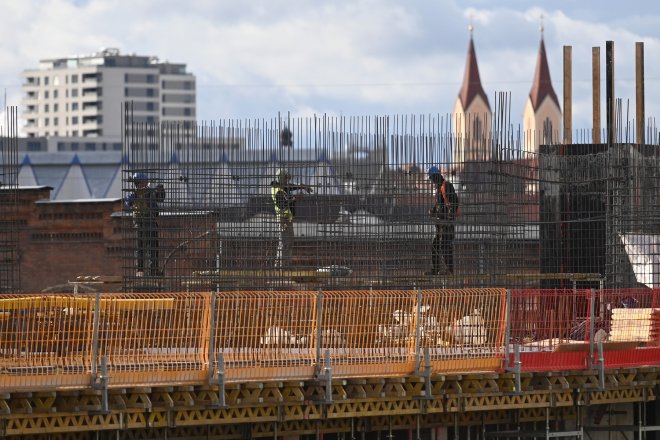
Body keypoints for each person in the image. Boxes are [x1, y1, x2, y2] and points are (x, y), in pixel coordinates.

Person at [124, 172, 166, 276]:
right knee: (141, 248)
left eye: (146, 183)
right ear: (138, 183)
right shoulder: (133, 195)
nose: (145, 184)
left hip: (151, 223)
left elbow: (160, 198)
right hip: (140, 224)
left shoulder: (150, 193)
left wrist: (160, 190)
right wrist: (136, 195)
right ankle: (140, 270)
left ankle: (153, 269)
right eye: (143, 182)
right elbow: (128, 203)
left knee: (153, 248)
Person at [271, 168, 312, 269]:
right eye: (285, 178)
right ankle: (281, 266)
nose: (287, 181)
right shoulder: (277, 190)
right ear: (280, 178)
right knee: (284, 243)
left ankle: (285, 264)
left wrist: (301, 186)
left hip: (287, 219)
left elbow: (290, 187)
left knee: (289, 242)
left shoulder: (281, 186)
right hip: (283, 219)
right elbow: (282, 205)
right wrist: (295, 198)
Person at [426, 166, 459, 276]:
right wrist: (433, 210)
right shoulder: (438, 188)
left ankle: (449, 270)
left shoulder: (447, 186)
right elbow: (439, 204)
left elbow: (454, 200)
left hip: (447, 223)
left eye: (432, 178)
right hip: (440, 223)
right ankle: (436, 269)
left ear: (436, 176)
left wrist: (450, 214)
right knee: (435, 245)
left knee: (445, 245)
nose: (431, 180)